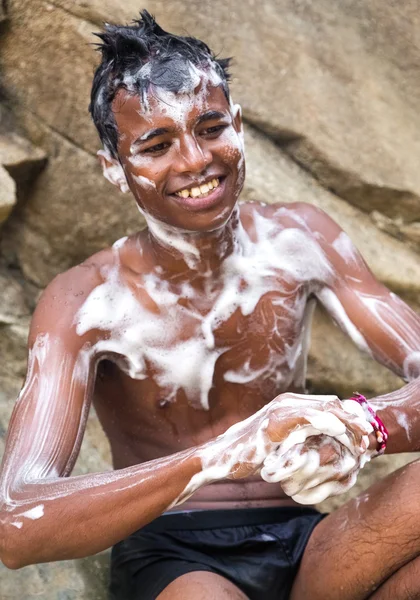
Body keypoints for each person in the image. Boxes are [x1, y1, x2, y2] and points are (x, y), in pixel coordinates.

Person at [1, 10, 420, 600]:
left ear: (240, 126)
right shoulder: (85, 301)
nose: (196, 161)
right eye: (156, 145)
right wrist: (223, 456)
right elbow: (16, 522)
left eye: (210, 127)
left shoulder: (302, 241)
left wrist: (360, 426)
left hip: (309, 545)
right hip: (176, 556)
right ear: (114, 169)